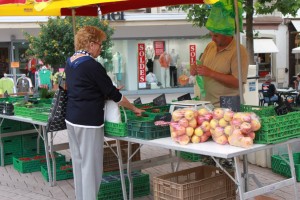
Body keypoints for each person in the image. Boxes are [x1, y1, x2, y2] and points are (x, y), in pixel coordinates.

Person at [65, 26, 144, 200]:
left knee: (78, 164)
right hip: (88, 122)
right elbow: (116, 96)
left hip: (71, 119)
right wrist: (134, 108)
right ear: (91, 44)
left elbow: (83, 86)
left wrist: (106, 90)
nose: (101, 48)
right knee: (91, 168)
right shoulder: (93, 65)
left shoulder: (71, 60)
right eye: (100, 44)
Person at [190, 31, 249, 107]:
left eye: (216, 36)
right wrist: (194, 67)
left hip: (228, 106)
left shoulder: (239, 51)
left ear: (227, 34)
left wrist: (211, 73)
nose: (213, 39)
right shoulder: (210, 46)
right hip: (208, 103)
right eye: (211, 35)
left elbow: (237, 82)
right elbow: (200, 64)